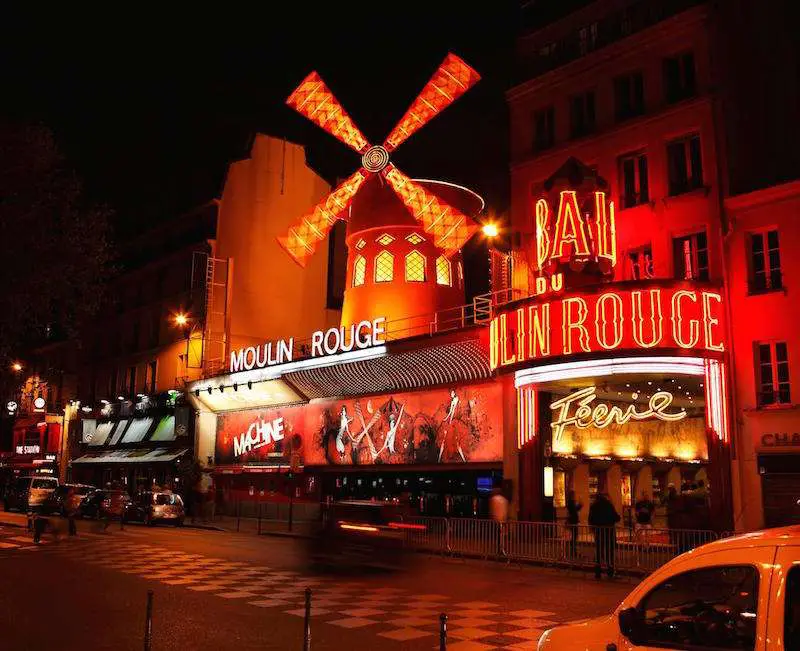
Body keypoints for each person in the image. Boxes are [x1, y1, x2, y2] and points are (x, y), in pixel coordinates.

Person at [588, 492, 620, 579]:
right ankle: (610, 571)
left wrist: (593, 528)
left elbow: (590, 519)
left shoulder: (593, 506)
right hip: (609, 531)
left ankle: (598, 572)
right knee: (609, 552)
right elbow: (616, 517)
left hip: (599, 531)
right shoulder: (608, 505)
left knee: (599, 551)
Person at [566, 490, 582, 558]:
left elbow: (574, 510)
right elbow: (574, 510)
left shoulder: (570, 502)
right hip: (573, 522)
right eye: (573, 494)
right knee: (574, 537)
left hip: (573, 521)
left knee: (574, 537)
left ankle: (574, 551)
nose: (574, 496)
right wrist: (579, 505)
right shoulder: (571, 502)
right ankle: (573, 552)